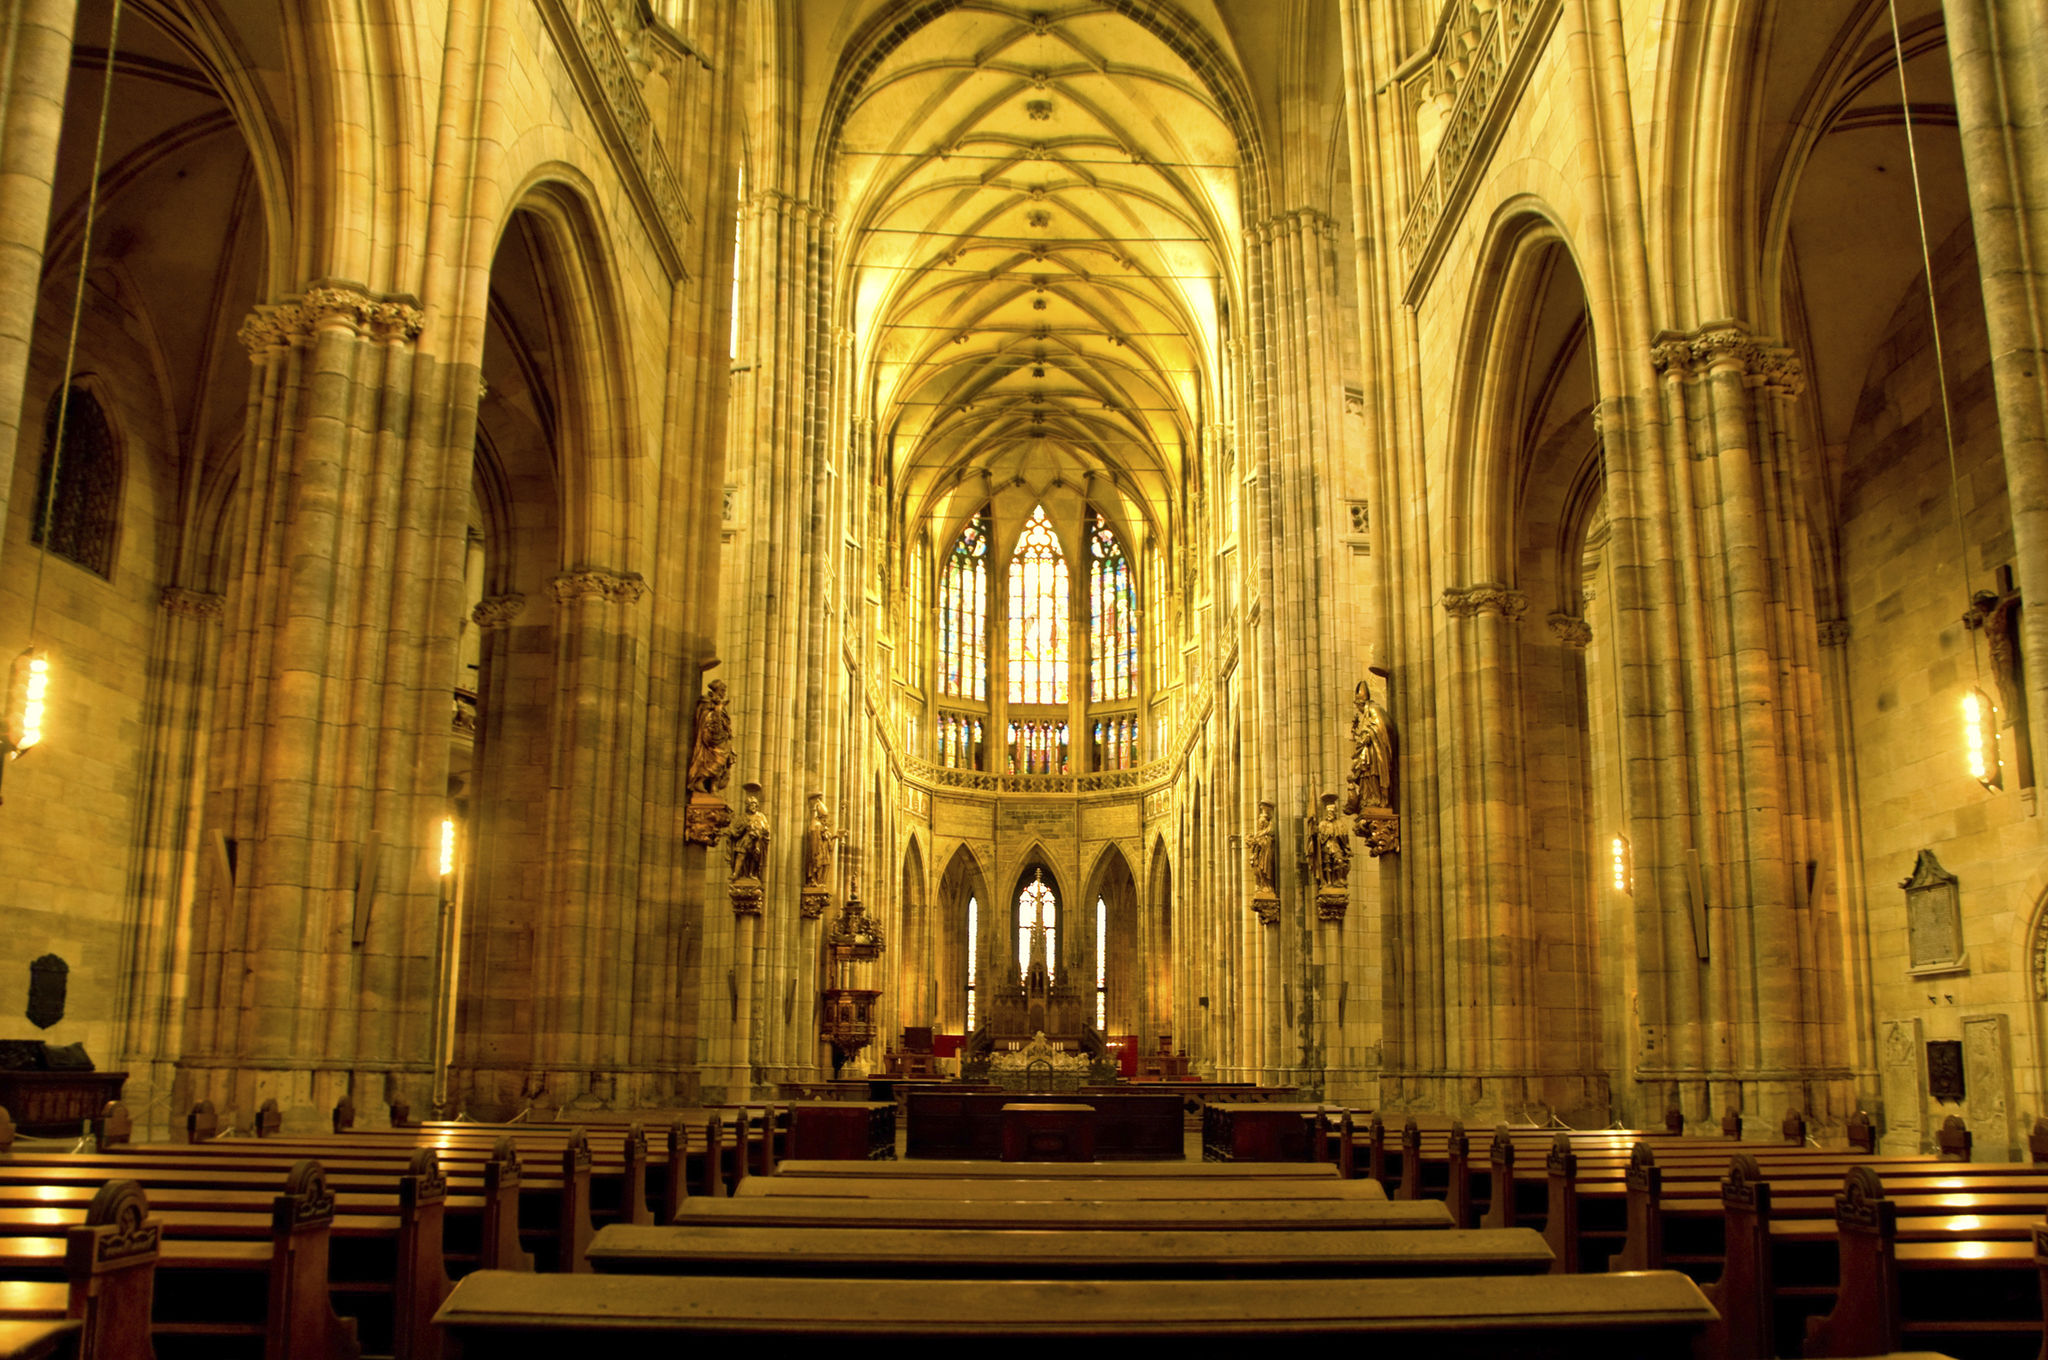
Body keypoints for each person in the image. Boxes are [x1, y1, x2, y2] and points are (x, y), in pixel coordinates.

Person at [687, 679, 734, 794]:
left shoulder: (720, 704)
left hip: (722, 737)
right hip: (710, 736)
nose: (724, 693)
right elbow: (704, 718)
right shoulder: (707, 702)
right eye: (722, 690)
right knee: (714, 760)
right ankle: (700, 781)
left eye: (724, 690)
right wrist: (717, 710)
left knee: (721, 763)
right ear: (717, 690)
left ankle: (714, 786)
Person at [727, 783, 769, 880]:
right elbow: (735, 829)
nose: (753, 807)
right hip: (745, 841)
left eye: (754, 805)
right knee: (740, 855)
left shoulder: (761, 817)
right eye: (750, 805)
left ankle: (752, 873)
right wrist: (733, 832)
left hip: (756, 842)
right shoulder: (743, 817)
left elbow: (766, 829)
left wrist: (758, 832)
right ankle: (736, 873)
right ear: (747, 806)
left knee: (754, 858)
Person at [803, 794, 847, 887]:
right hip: (818, 853)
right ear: (820, 817)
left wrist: (835, 836)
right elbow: (814, 840)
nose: (825, 820)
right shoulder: (816, 825)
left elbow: (829, 845)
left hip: (824, 853)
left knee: (825, 866)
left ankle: (820, 882)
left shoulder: (823, 828)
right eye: (824, 818)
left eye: (825, 818)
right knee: (818, 866)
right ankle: (815, 881)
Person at [1247, 800, 1277, 893]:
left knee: (1263, 869)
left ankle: (1266, 885)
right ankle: (1262, 884)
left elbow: (1267, 842)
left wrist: (1259, 842)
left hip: (1265, 856)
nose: (1260, 824)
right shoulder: (1259, 834)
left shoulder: (1267, 833)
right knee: (1258, 871)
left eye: (1262, 823)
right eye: (1260, 823)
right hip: (1258, 856)